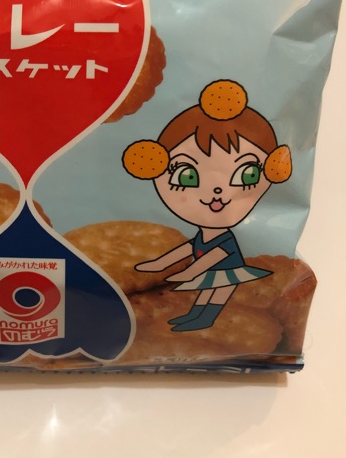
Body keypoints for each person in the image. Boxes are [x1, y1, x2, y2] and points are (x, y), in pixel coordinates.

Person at [122, 80, 291, 331]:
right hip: (209, 269)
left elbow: (216, 254)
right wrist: (159, 264)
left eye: (247, 175)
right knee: (206, 292)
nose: (217, 191)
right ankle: (196, 316)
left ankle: (204, 318)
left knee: (217, 292)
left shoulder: (224, 238)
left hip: (228, 270)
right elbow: (187, 248)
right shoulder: (203, 236)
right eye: (187, 176)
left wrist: (191, 272)